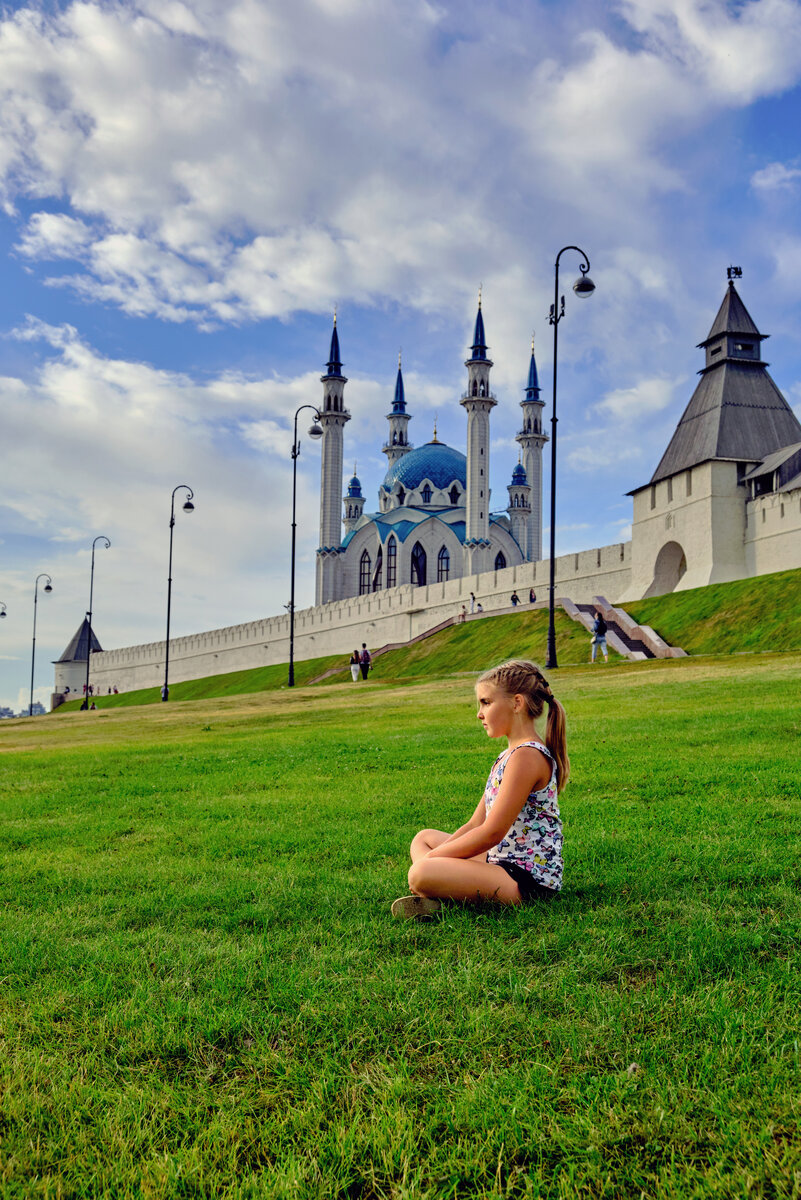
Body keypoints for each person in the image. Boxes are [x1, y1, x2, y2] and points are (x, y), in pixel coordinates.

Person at [392, 659, 568, 918]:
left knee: (420, 871)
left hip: (526, 881)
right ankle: (441, 888)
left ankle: (435, 885)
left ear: (516, 703)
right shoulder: (507, 755)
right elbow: (476, 823)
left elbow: (491, 833)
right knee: (423, 838)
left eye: (486, 702)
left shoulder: (527, 756)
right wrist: (440, 857)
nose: (479, 713)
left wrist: (436, 860)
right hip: (501, 860)